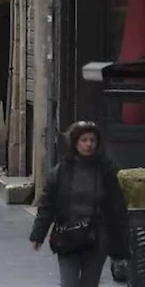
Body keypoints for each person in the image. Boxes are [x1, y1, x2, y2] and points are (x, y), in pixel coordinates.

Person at [30, 120, 130, 287]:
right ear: (75, 143)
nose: (88, 144)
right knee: (68, 283)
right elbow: (47, 204)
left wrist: (121, 246)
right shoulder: (61, 171)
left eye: (92, 140)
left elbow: (117, 208)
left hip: (97, 238)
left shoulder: (105, 171)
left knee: (90, 283)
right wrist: (37, 235)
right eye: (84, 140)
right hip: (68, 237)